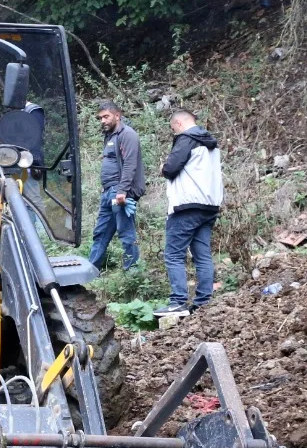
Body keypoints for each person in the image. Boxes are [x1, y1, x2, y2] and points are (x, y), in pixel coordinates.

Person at [155, 108, 223, 314]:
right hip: (209, 205)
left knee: (173, 255)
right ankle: (203, 302)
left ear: (178, 124)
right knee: (202, 255)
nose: (173, 131)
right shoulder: (211, 142)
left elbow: (171, 169)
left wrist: (162, 167)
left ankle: (178, 302)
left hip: (187, 206)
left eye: (172, 128)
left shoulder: (185, 138)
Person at [87, 100, 145, 272]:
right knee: (100, 233)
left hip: (120, 193)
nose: (102, 121)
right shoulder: (110, 136)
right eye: (100, 118)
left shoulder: (128, 134)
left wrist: (122, 191)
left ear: (117, 115)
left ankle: (132, 273)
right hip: (108, 192)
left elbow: (130, 164)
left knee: (126, 233)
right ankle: (91, 271)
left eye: (106, 116)